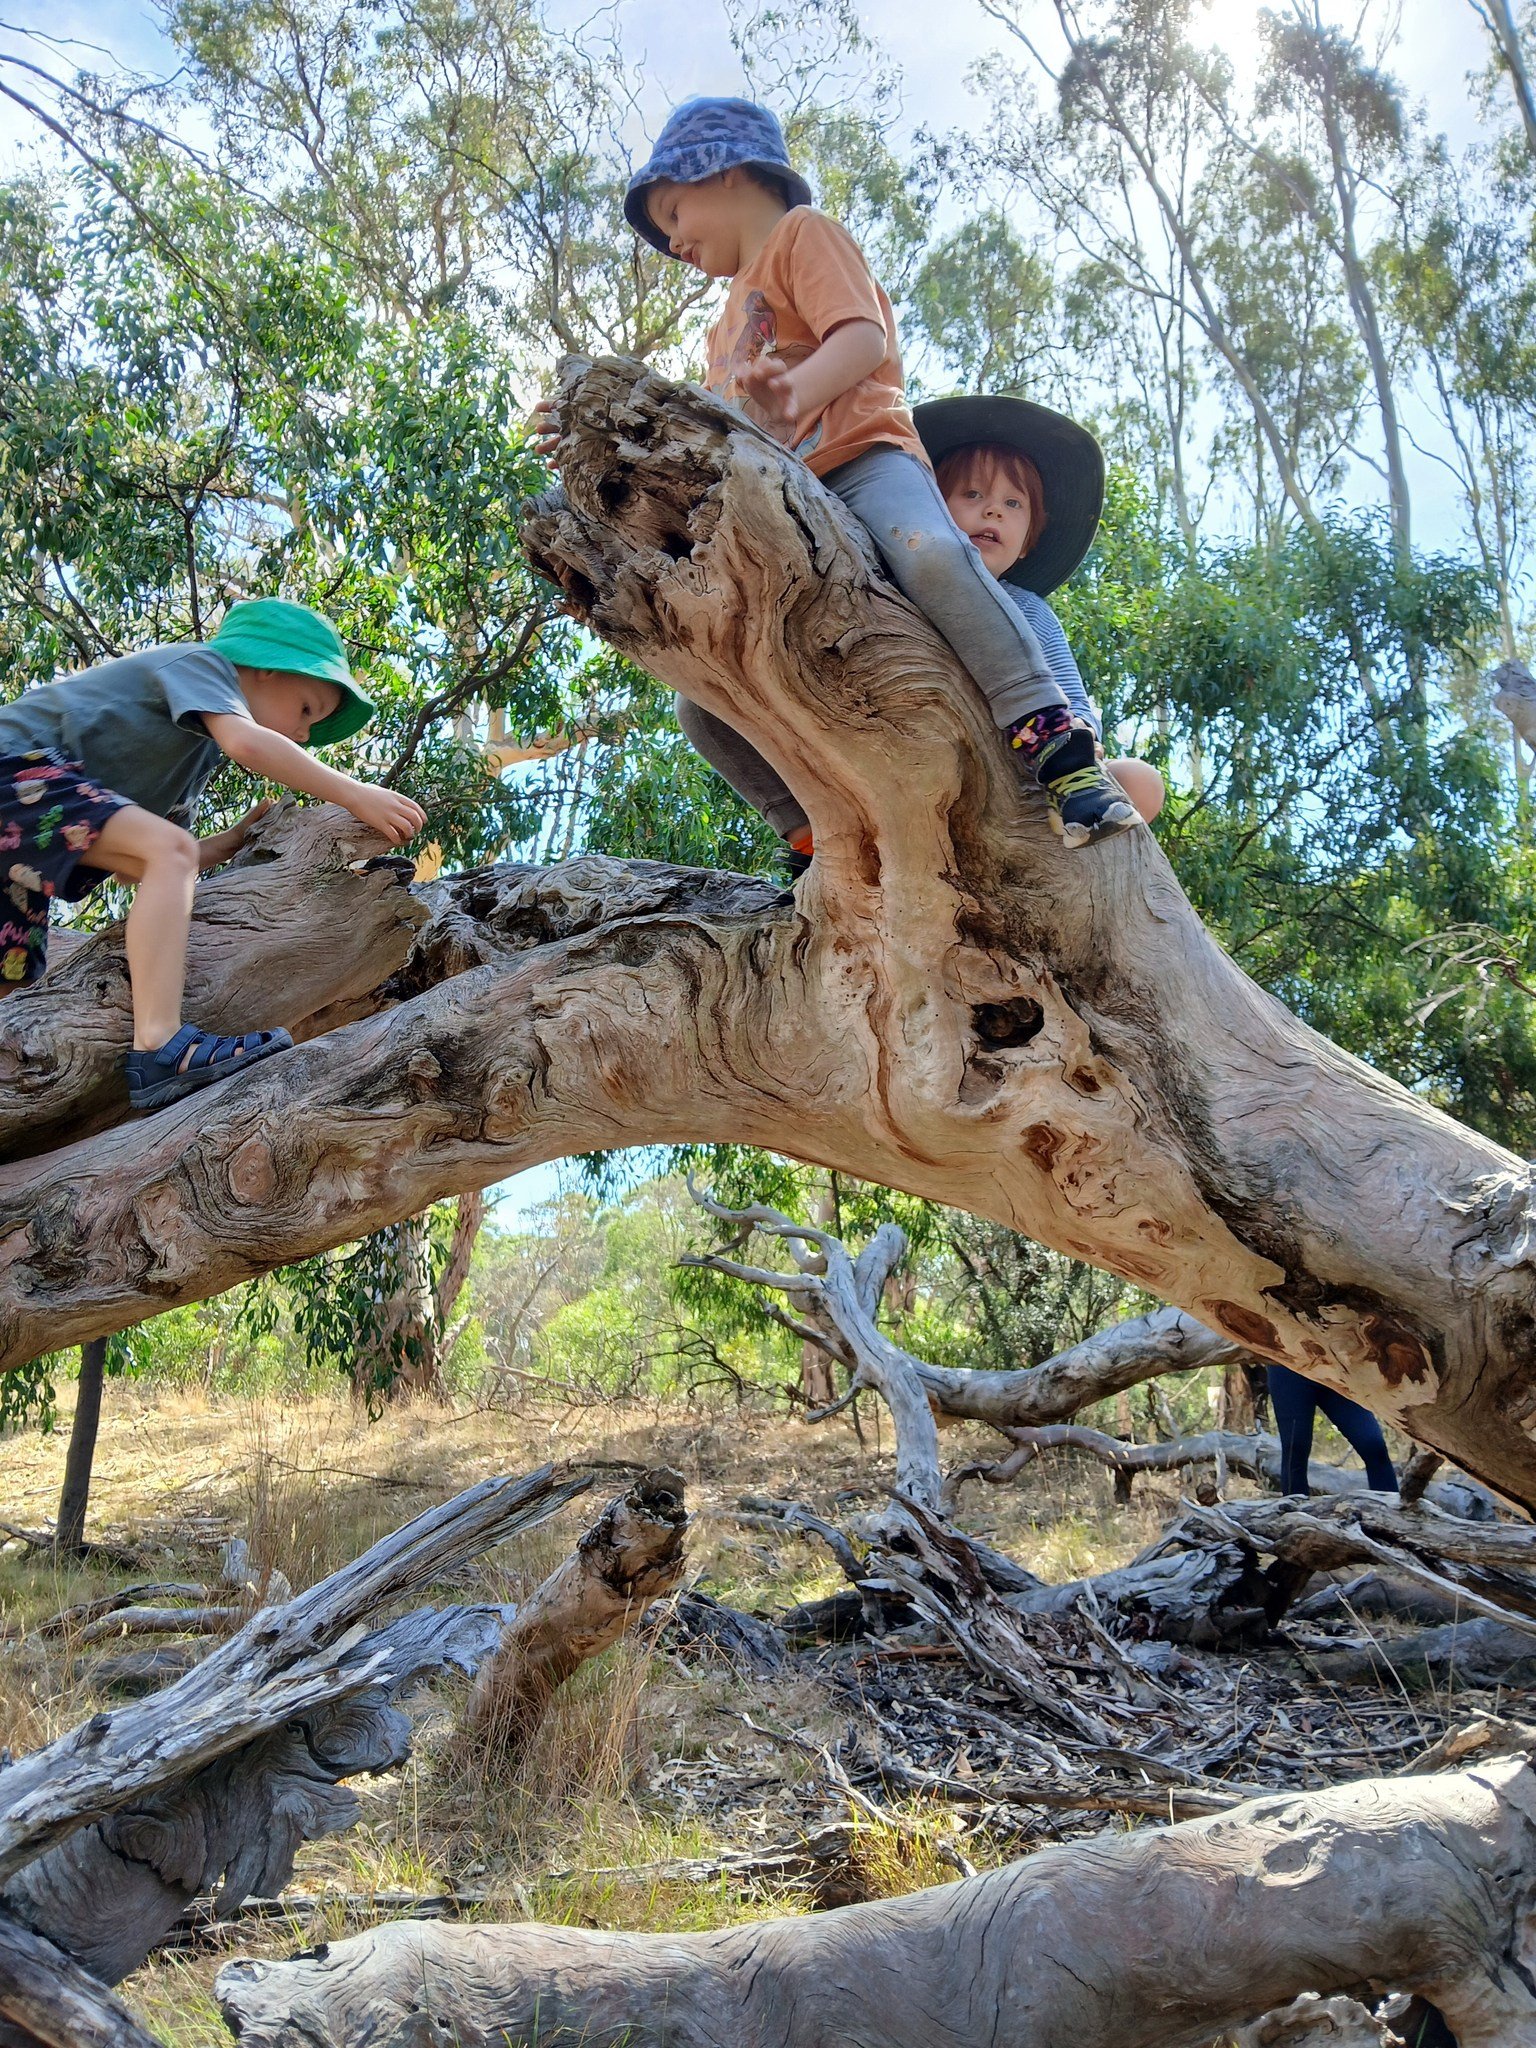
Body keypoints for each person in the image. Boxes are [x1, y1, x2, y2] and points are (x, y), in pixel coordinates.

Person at [540, 95, 1139, 850]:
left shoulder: (803, 234)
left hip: (862, 462)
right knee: (706, 697)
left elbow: (862, 338)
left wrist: (796, 395)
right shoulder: (721, 328)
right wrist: (591, 429)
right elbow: (699, 432)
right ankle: (817, 838)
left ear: (726, 173)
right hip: (786, 511)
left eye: (673, 212)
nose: (673, 240)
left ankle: (1055, 743)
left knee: (933, 554)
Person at [674, 391, 1166, 867]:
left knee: (1141, 782)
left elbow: (1069, 693)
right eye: (972, 494)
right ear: (925, 511)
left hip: (1016, 772)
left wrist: (1083, 737)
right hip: (891, 762)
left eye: (1014, 504)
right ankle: (815, 841)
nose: (993, 510)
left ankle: (1067, 800)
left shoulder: (1030, 610)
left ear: (1027, 542)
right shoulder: (883, 590)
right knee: (697, 700)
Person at [0, 597, 426, 1110]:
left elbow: (137, 870)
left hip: (19, 832)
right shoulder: (203, 665)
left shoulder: (192, 755)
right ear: (266, 667)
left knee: (12, 974)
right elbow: (246, 746)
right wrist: (355, 793)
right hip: (11, 768)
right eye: (306, 710)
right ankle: (159, 1044)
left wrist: (233, 840)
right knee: (167, 850)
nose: (303, 734)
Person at [1266, 1364, 1397, 1498]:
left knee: (1373, 1444)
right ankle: (1293, 1508)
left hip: (1335, 1370)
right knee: (1295, 1448)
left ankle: (1392, 1506)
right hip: (1289, 1370)